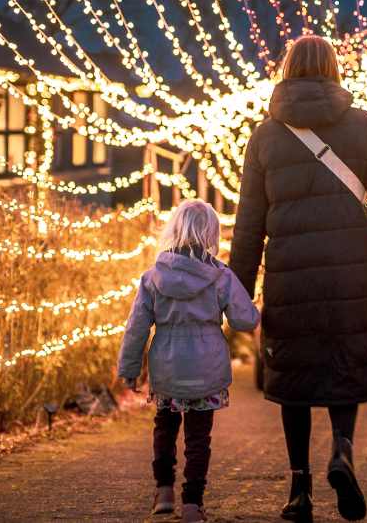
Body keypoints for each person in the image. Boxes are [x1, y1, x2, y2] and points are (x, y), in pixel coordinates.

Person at [229, 35, 367, 522]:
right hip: (352, 273)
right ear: (333, 70)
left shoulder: (264, 137)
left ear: (286, 71)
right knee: (345, 365)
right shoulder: (364, 126)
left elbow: (249, 222)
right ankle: (342, 451)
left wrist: (237, 289)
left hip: (290, 275)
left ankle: (299, 491)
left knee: (295, 376)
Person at [118, 200, 260, 523]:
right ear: (211, 234)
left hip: (167, 370)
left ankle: (164, 492)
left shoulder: (153, 276)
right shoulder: (221, 276)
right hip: (207, 371)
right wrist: (255, 310)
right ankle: (193, 505)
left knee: (165, 426)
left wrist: (129, 369)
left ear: (175, 229)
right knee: (198, 438)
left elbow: (136, 327)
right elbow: (244, 321)